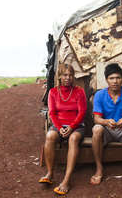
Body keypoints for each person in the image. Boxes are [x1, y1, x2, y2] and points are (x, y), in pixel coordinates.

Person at [39, 64, 87, 195]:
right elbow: (52, 113)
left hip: (77, 126)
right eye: (65, 75)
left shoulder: (79, 91)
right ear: (59, 76)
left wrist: (71, 127)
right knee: (49, 136)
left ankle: (67, 179)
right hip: (59, 125)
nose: (68, 78)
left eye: (71, 75)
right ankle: (50, 173)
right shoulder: (53, 92)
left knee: (73, 138)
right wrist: (60, 128)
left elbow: (82, 112)